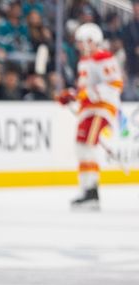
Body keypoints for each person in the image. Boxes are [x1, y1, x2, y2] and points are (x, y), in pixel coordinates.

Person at [56, 23, 123, 210]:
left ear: (92, 40)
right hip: (88, 109)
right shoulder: (84, 61)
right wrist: (70, 96)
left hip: (102, 108)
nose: (78, 45)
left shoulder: (105, 58)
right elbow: (82, 90)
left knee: (88, 145)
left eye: (81, 41)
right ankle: (86, 190)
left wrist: (88, 93)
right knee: (80, 146)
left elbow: (115, 85)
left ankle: (92, 191)